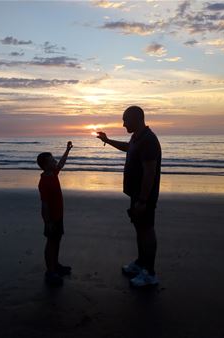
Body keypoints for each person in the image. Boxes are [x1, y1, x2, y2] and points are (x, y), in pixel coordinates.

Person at [96, 106, 162, 287]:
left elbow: (150, 172)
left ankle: (150, 273)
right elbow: (128, 148)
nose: (123, 123)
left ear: (137, 119)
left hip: (144, 197)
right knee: (140, 229)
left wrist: (142, 200)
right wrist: (107, 141)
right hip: (136, 195)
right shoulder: (137, 137)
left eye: (126, 120)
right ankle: (141, 263)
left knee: (147, 230)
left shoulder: (148, 140)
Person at [37, 141, 73, 287]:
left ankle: (56, 265)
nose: (55, 161)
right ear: (46, 165)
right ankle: (50, 271)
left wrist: (67, 150)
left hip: (58, 216)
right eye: (52, 160)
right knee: (51, 243)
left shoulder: (53, 173)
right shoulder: (44, 181)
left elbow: (62, 164)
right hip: (51, 218)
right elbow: (44, 205)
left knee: (57, 241)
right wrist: (47, 223)